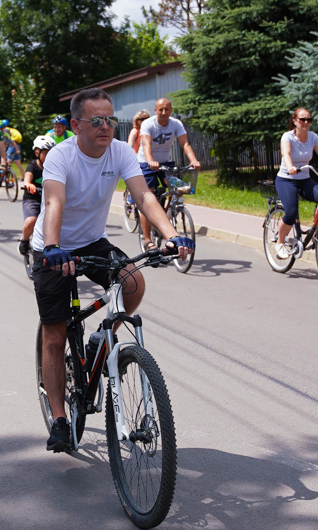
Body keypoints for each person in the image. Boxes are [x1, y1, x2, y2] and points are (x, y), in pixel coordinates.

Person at [32, 88, 193, 452]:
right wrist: (54, 248)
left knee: (133, 283)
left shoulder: (119, 151)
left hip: (92, 241)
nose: (106, 127)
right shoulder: (61, 156)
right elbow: (54, 200)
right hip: (52, 247)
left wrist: (170, 235)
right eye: (96, 120)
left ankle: (102, 337)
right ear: (75, 125)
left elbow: (144, 195)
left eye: (110, 120)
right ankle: (59, 418)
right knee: (55, 336)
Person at [274, 107, 318, 259]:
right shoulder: (288, 137)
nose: (306, 122)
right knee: (291, 213)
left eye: (309, 120)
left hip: (304, 179)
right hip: (287, 180)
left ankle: (316, 232)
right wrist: (290, 166)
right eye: (302, 119)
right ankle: (280, 243)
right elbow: (285, 154)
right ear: (295, 121)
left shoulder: (313, 137)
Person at [137, 97, 202, 251]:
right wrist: (151, 161)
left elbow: (185, 143)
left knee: (177, 188)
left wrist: (193, 160)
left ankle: (166, 212)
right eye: (161, 109)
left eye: (167, 109)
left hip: (165, 162)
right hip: (147, 162)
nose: (164, 112)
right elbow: (146, 145)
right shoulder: (148, 123)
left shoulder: (176, 124)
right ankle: (147, 240)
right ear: (155, 110)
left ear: (171, 110)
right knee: (148, 198)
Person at [18, 134, 55, 256]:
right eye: (46, 153)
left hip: (50, 201)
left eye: (52, 153)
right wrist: (28, 184)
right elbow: (27, 177)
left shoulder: (55, 167)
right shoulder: (33, 166)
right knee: (31, 220)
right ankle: (24, 240)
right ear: (37, 153)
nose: (49, 156)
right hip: (33, 199)